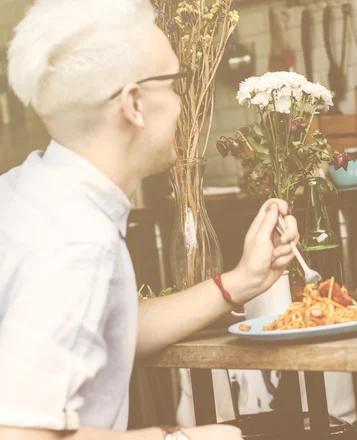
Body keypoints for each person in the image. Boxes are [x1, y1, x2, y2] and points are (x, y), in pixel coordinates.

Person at [0, 1, 299, 440]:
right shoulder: (77, 246)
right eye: (176, 83)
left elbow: (104, 331)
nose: (183, 102)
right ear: (135, 104)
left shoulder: (24, 191)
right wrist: (183, 437)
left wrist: (240, 281)